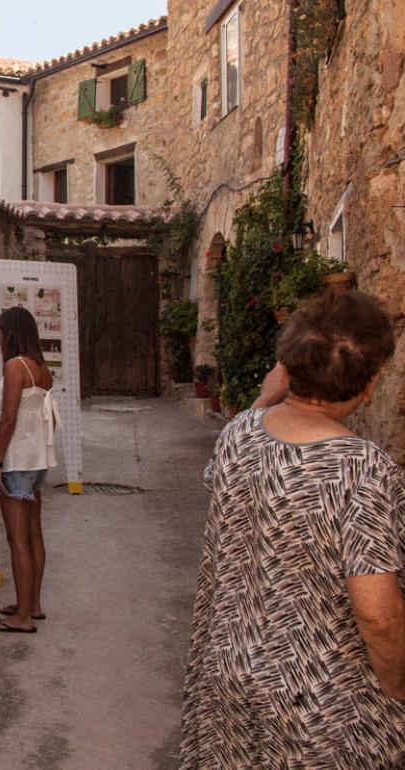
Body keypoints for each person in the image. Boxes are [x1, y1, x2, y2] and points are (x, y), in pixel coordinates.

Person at [181, 290, 404, 768]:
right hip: (323, 704)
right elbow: (377, 614)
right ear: (370, 384)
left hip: (229, 675)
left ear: (288, 366)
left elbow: (226, 468)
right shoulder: (362, 469)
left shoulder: (240, 435)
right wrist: (397, 686)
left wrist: (267, 395)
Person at [0, 306, 60, 633]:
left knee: (17, 541)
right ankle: (32, 603)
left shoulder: (15, 367)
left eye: (0, 331)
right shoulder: (42, 369)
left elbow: (9, 418)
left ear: (10, 333)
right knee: (34, 535)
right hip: (39, 459)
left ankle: (22, 618)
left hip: (17, 460)